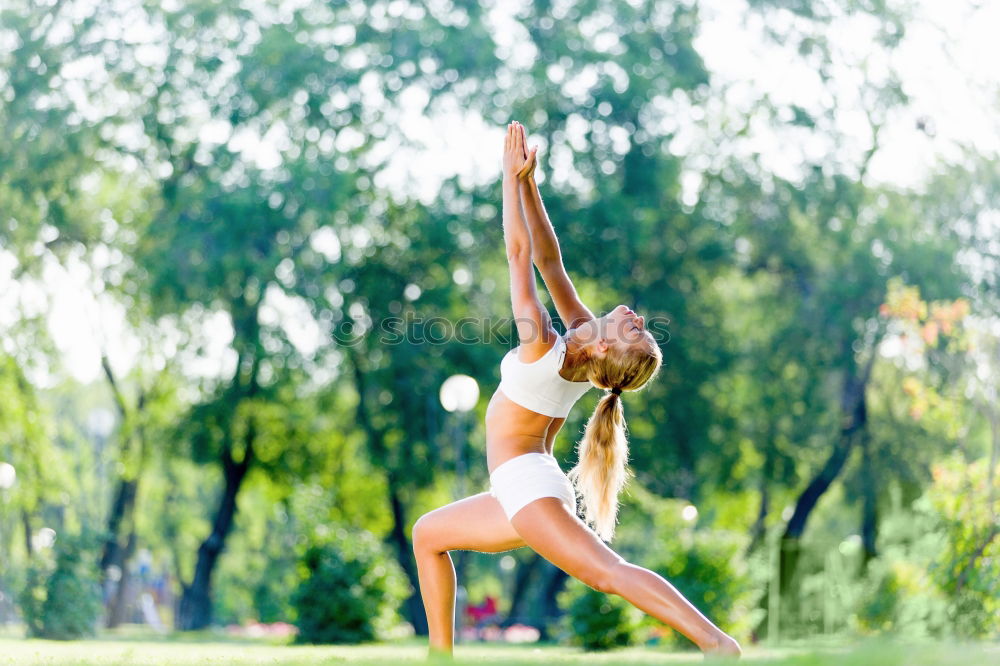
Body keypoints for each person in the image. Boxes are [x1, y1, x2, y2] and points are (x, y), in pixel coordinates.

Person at [412, 121, 741, 658]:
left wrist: (504, 177)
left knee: (610, 572)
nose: (636, 316)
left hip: (526, 488)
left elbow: (519, 256)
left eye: (636, 330)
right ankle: (440, 657)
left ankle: (716, 643)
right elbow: (549, 258)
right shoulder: (579, 340)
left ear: (609, 350)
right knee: (428, 535)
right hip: (518, 488)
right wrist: (528, 183)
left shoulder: (543, 343)